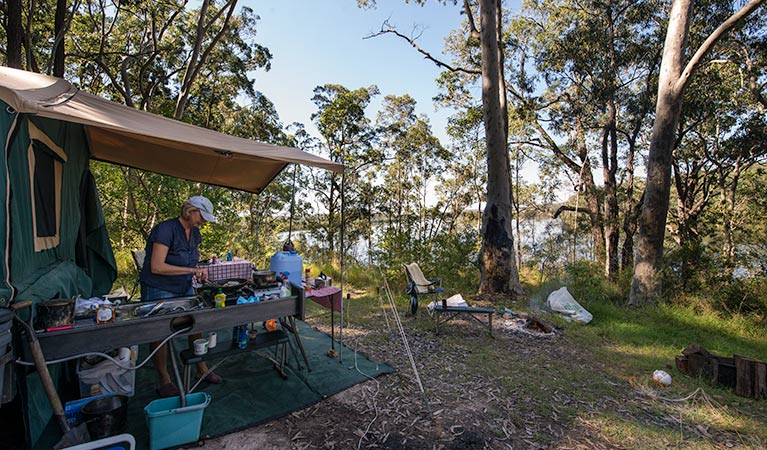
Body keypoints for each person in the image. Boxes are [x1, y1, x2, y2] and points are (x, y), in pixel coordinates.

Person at [140, 195, 223, 397]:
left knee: (195, 324)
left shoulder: (195, 234)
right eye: (201, 216)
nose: (203, 221)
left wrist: (198, 270)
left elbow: (190, 261)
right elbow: (157, 266)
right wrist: (190, 271)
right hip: (158, 286)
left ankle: (201, 369)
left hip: (183, 285)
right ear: (190, 210)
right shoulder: (165, 230)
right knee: (160, 332)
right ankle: (164, 379)